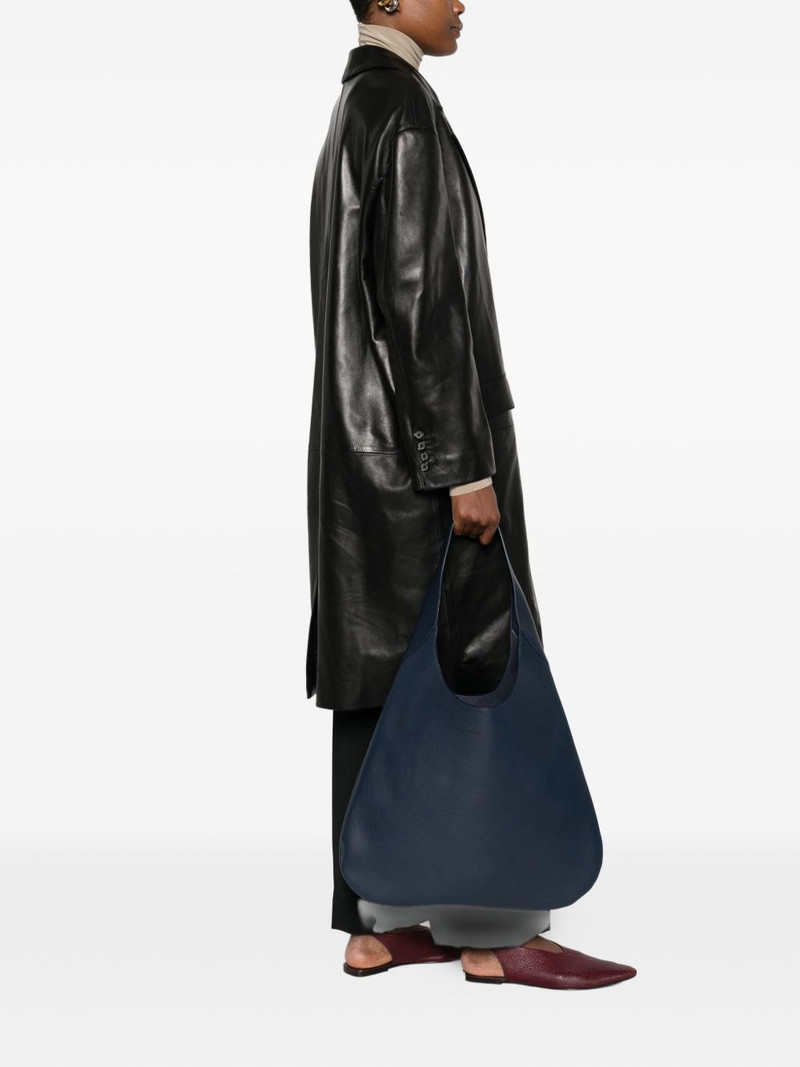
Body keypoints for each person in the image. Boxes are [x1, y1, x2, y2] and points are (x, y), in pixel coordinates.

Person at [305, 0, 637, 989]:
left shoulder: (357, 106)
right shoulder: (401, 111)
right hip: (422, 464)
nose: (462, 1)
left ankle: (371, 924)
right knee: (481, 667)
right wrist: (463, 464)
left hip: (366, 465)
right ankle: (496, 929)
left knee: (383, 682)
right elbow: (420, 302)